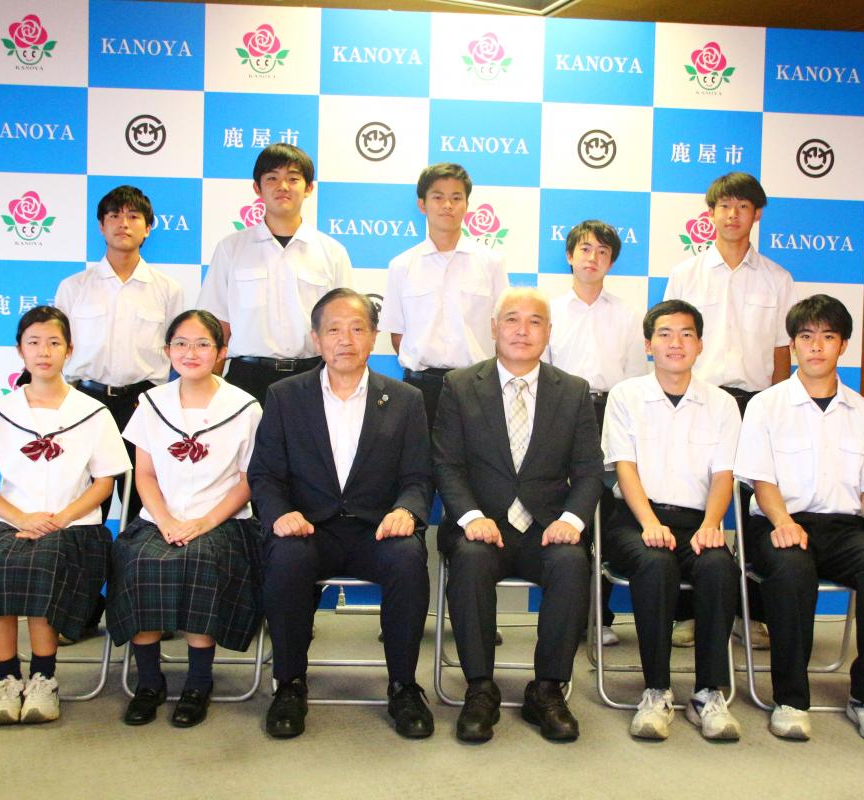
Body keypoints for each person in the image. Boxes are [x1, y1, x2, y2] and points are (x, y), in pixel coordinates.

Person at [249, 288, 434, 739]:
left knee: (409, 558)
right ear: (316, 339)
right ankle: (289, 684)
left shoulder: (406, 399)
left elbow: (418, 477)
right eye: (333, 329)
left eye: (357, 329)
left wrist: (407, 511)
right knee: (286, 558)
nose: (345, 339)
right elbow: (265, 475)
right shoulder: (285, 396)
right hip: (309, 528)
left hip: (376, 530)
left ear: (373, 337)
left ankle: (403, 686)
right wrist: (280, 515)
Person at [734, 294, 864, 742]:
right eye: (806, 336)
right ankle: (791, 699)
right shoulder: (766, 405)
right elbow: (761, 481)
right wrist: (782, 522)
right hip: (779, 523)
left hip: (845, 528)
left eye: (828, 337)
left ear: (843, 345)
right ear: (793, 345)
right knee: (792, 572)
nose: (816, 346)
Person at [433, 287, 603, 743]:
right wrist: (471, 516)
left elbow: (589, 471)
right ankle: (480, 689)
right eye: (511, 319)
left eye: (534, 321)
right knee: (470, 561)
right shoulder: (459, 385)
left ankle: (547, 690)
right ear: (494, 327)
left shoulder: (573, 391)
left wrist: (572, 521)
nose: (522, 330)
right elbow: (447, 464)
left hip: (547, 528)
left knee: (572, 563)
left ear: (549, 332)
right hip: (482, 526)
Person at [0, 306, 130, 725]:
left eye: (54, 343)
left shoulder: (93, 413)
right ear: (20, 350)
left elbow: (104, 484)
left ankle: (43, 679)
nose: (43, 352)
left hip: (74, 527)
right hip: (10, 523)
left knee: (44, 561)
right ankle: (6, 679)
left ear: (69, 350)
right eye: (33, 342)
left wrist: (59, 518)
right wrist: (21, 518)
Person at [107, 310, 263, 729]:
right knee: (139, 561)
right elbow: (144, 474)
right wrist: (165, 521)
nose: (190, 352)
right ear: (167, 350)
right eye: (181, 343)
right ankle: (149, 681)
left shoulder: (245, 407)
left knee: (202, 561)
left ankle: (198, 682)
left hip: (224, 521)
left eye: (202, 344)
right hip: (161, 518)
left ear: (221, 352)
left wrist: (204, 523)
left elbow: (249, 481)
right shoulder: (151, 403)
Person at [664, 172, 795, 648]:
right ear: (711, 213)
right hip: (697, 400)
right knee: (693, 503)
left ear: (756, 214)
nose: (733, 215)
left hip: (755, 403)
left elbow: (782, 351)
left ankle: (749, 613)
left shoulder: (778, 278)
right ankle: (687, 613)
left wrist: (777, 407)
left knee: (754, 508)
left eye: (743, 206)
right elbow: (670, 342)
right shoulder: (686, 274)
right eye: (724, 206)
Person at [601, 300, 741, 741]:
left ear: (700, 345)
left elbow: (724, 475)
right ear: (648, 345)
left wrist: (712, 524)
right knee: (655, 564)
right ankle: (656, 691)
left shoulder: (722, 404)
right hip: (635, 519)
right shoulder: (625, 396)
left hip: (698, 521)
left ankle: (708, 693)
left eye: (686, 334)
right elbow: (624, 468)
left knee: (719, 566)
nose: (675, 342)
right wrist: (648, 522)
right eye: (664, 334)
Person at [55, 185, 184, 644]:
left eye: (133, 216)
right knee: (83, 512)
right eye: (113, 215)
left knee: (141, 513)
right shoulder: (74, 287)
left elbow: (178, 354)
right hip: (86, 405)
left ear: (148, 228)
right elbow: (59, 349)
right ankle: (79, 611)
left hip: (143, 405)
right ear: (101, 224)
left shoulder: (167, 290)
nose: (123, 223)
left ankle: (143, 610)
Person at [545, 219, 647, 647]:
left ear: (611, 262)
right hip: (559, 411)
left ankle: (599, 618)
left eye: (603, 252)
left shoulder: (628, 315)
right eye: (585, 249)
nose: (593, 258)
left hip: (611, 411)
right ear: (570, 255)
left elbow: (636, 379)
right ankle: (564, 617)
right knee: (565, 511)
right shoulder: (549, 311)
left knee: (603, 513)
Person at [198, 144, 352, 402]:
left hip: (312, 376)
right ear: (257, 188)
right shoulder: (231, 249)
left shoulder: (332, 252)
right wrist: (207, 388)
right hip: (247, 378)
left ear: (309, 188)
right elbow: (216, 326)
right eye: (272, 178)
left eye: (293, 178)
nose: (283, 186)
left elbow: (344, 324)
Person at [380, 163, 508, 431]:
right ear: (422, 204)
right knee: (419, 456)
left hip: (477, 386)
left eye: (456, 198)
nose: (447, 205)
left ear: (467, 205)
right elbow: (397, 336)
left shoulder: (491, 263)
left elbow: (503, 329)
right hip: (420, 388)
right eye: (438, 197)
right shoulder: (401, 265)